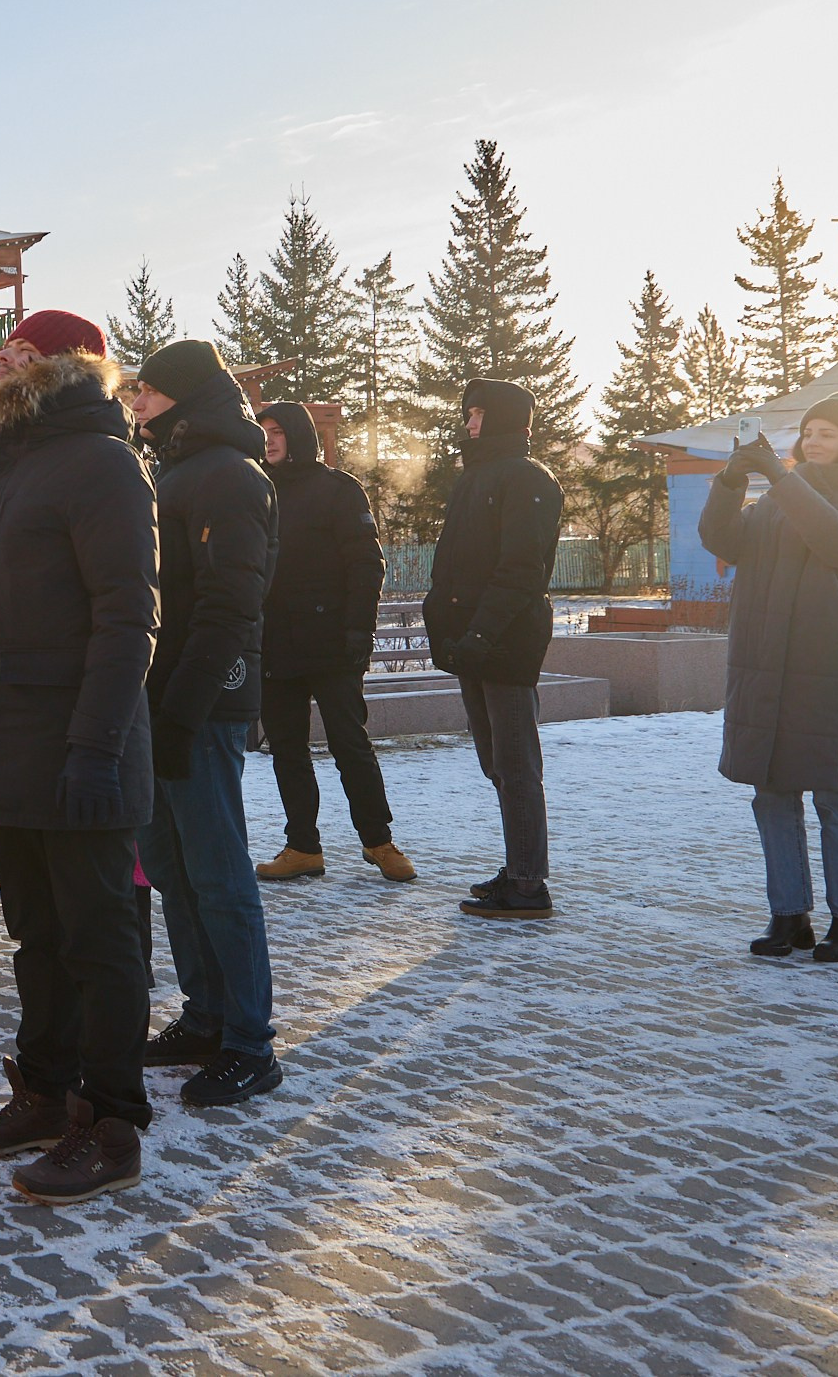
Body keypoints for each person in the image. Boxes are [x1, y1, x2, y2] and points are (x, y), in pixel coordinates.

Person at [0, 311, 159, 1205]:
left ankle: (109, 1120)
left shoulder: (104, 463)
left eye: (22, 349)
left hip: (83, 748)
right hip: (16, 745)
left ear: (67, 366)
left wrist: (94, 748)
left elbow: (127, 618)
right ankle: (42, 1090)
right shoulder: (16, 461)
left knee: (100, 941)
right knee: (35, 932)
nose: (3, 358)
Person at [123, 341, 284, 1110]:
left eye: (149, 390)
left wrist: (184, 708)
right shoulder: (173, 469)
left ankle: (250, 1040)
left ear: (185, 396)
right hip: (161, 703)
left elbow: (228, 609)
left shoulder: (229, 474)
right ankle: (204, 1014)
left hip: (205, 704)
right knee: (174, 871)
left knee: (219, 873)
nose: (137, 401)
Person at [702, 390, 838, 963]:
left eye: (828, 434)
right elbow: (724, 541)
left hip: (826, 668)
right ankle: (789, 917)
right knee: (772, 791)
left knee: (836, 795)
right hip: (764, 661)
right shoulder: (774, 499)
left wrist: (780, 479)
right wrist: (732, 481)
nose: (813, 441)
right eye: (809, 431)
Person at [250, 401, 408, 884]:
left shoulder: (337, 490)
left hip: (333, 644)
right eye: (265, 432)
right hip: (275, 644)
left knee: (349, 743)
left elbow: (367, 564)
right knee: (287, 750)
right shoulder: (255, 489)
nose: (270, 440)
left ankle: (379, 841)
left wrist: (359, 631)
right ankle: (302, 847)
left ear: (299, 436)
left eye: (279, 431)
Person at [423, 380, 564, 919]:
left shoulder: (528, 479)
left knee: (516, 762)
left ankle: (529, 885)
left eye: (479, 412)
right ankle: (519, 866)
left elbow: (521, 570)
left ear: (506, 418)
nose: (469, 421)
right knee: (496, 762)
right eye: (468, 412)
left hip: (505, 642)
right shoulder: (477, 476)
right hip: (473, 642)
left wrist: (481, 635)